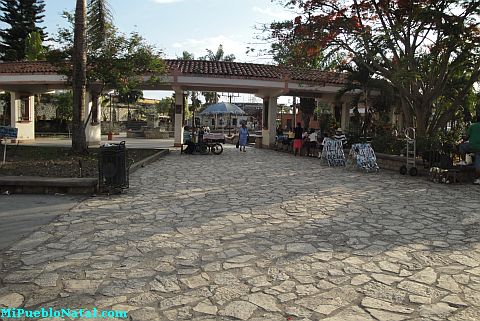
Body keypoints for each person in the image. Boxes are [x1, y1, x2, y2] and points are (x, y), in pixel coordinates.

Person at [459, 114, 480, 184]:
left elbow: (466, 137)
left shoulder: (472, 126)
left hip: (472, 146)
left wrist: (463, 139)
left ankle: (463, 161)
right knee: (478, 163)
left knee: (462, 146)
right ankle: (477, 179)